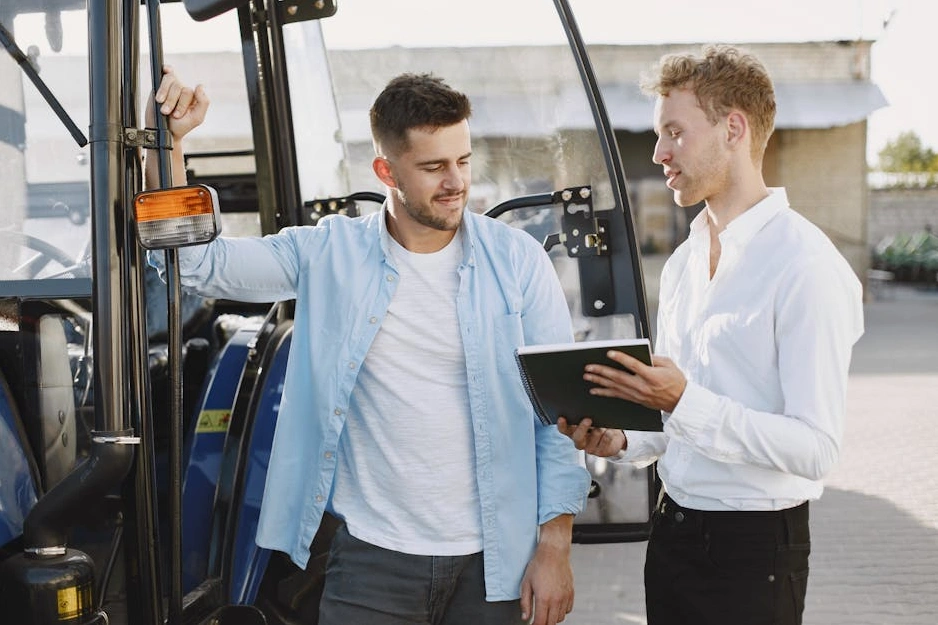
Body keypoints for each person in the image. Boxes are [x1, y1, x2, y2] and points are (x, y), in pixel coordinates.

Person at [147, 67, 590, 625]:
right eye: (433, 167)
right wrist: (171, 144)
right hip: (372, 561)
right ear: (386, 169)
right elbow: (196, 263)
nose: (455, 182)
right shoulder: (329, 253)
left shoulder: (518, 261)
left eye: (463, 161)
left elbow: (558, 411)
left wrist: (554, 548)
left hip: (496, 559)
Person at [558, 44, 864, 625]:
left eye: (675, 131)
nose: (658, 153)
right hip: (672, 535)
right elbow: (679, 424)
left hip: (754, 553)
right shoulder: (682, 264)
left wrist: (681, 399)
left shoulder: (805, 266)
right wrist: (622, 442)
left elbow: (816, 449)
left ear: (734, 128)